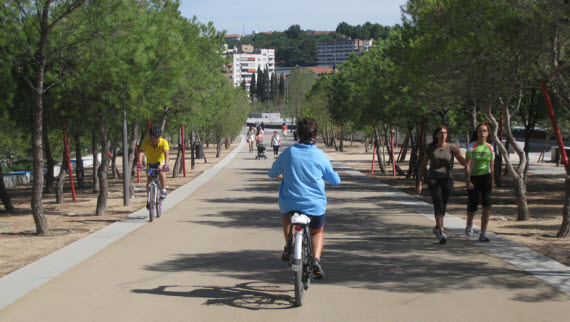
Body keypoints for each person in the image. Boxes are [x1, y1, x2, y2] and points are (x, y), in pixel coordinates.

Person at [268, 118, 341, 279]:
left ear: (297, 134)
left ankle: (288, 246)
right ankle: (315, 260)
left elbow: (272, 173)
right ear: (315, 135)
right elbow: (335, 181)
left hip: (290, 203)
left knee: (286, 218)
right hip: (315, 206)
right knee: (317, 232)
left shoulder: (288, 153)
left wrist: (282, 174)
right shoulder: (320, 155)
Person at [417, 125, 466, 244]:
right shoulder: (430, 148)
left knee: (443, 205)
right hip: (434, 180)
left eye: (445, 133)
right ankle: (442, 231)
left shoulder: (451, 148)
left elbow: (463, 161)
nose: (443, 135)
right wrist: (419, 182)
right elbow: (423, 165)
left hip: (447, 179)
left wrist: (471, 167)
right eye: (441, 133)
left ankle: (437, 227)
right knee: (437, 203)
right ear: (436, 135)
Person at [465, 123, 495, 242]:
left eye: (484, 131)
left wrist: (492, 180)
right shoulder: (472, 146)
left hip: (486, 177)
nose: (482, 133)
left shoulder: (490, 147)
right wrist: (468, 180)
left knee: (486, 205)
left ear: (488, 133)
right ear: (477, 133)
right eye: (480, 131)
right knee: (473, 204)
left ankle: (483, 233)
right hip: (474, 177)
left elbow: (491, 165)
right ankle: (469, 223)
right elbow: (467, 165)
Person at [137, 125, 170, 208]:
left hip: (160, 161)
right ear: (150, 136)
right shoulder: (146, 142)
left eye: (157, 137)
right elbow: (141, 153)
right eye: (153, 137)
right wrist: (140, 164)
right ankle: (149, 199)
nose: (155, 139)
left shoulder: (164, 142)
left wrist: (166, 164)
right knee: (149, 180)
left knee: (160, 170)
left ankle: (163, 190)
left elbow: (166, 153)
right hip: (150, 163)